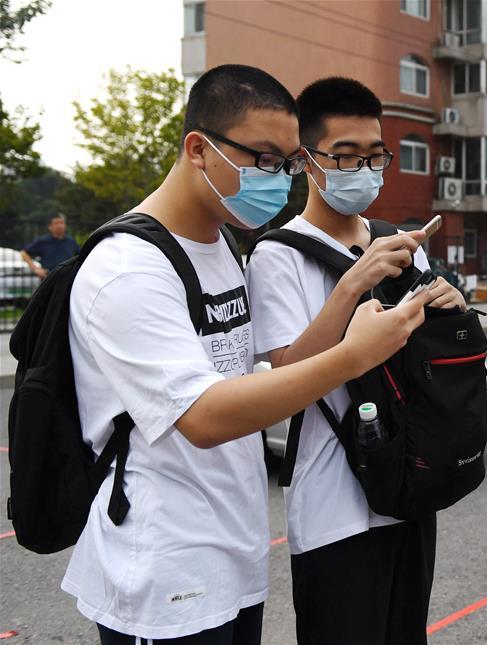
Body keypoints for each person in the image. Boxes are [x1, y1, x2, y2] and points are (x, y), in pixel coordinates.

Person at [62, 65, 427, 645]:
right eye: (262, 158)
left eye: (286, 162)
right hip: (164, 573)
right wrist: (353, 355)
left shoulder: (221, 245)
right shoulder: (129, 269)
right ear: (199, 149)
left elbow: (252, 378)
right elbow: (204, 417)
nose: (278, 178)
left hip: (232, 556)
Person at [244, 77, 464, 645]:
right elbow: (289, 371)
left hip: (409, 483)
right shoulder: (276, 253)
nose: (362, 170)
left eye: (374, 155)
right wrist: (351, 284)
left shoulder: (396, 240)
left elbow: (424, 358)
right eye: (344, 156)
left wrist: (451, 308)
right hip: (333, 506)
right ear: (308, 161)